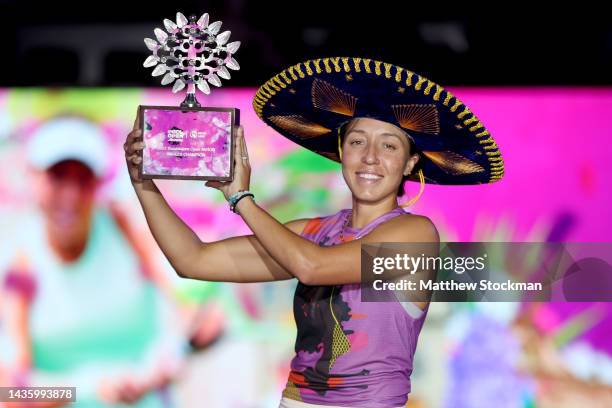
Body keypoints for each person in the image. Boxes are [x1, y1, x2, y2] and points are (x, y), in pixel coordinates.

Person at [125, 57, 504, 408]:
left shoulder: (417, 234)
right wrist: (143, 182)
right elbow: (193, 260)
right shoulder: (312, 232)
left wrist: (240, 198)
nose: (370, 157)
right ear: (342, 151)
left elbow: (314, 268)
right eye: (357, 141)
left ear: (409, 163)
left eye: (388, 146)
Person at [1, 116, 188, 407]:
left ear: (98, 182)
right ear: (34, 178)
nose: (71, 195)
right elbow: (11, 394)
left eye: (82, 179)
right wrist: (89, 388)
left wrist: (163, 363)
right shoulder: (19, 261)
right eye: (58, 176)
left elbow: (184, 304)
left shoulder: (124, 226)